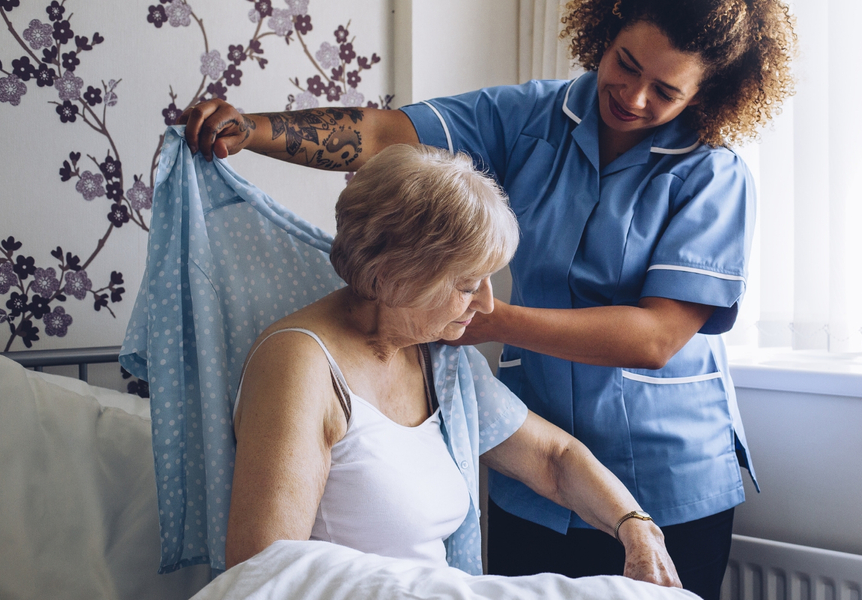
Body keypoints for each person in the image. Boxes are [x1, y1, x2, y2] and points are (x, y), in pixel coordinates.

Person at [182, 1, 796, 598]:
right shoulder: (528, 117)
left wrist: (481, 315)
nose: (634, 97)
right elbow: (384, 134)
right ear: (604, 31)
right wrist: (253, 130)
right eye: (626, 64)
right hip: (534, 479)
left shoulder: (712, 174)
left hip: (666, 477)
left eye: (665, 91)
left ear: (706, 94)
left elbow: (656, 337)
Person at [227, 143, 679, 589]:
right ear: (391, 274)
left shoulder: (437, 357)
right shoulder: (300, 366)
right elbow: (263, 575)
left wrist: (637, 527)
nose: (486, 303)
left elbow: (553, 458)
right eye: (467, 285)